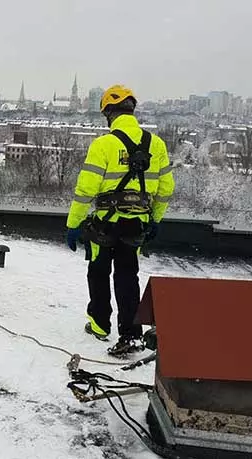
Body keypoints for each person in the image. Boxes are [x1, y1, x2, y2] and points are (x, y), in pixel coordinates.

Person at [65, 85, 175, 356]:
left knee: (99, 272)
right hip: (135, 225)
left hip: (105, 223)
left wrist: (73, 224)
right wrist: (155, 221)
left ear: (108, 113)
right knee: (128, 277)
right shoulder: (156, 145)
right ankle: (130, 334)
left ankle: (100, 324)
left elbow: (85, 191)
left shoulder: (104, 145)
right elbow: (166, 189)